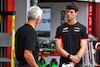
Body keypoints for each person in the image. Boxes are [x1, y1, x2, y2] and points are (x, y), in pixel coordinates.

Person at [55, 1, 88, 67]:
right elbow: (58, 48)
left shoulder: (82, 28)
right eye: (67, 11)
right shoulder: (60, 28)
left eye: (71, 12)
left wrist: (74, 61)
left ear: (76, 13)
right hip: (64, 62)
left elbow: (83, 47)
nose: (68, 14)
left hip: (77, 63)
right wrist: (70, 57)